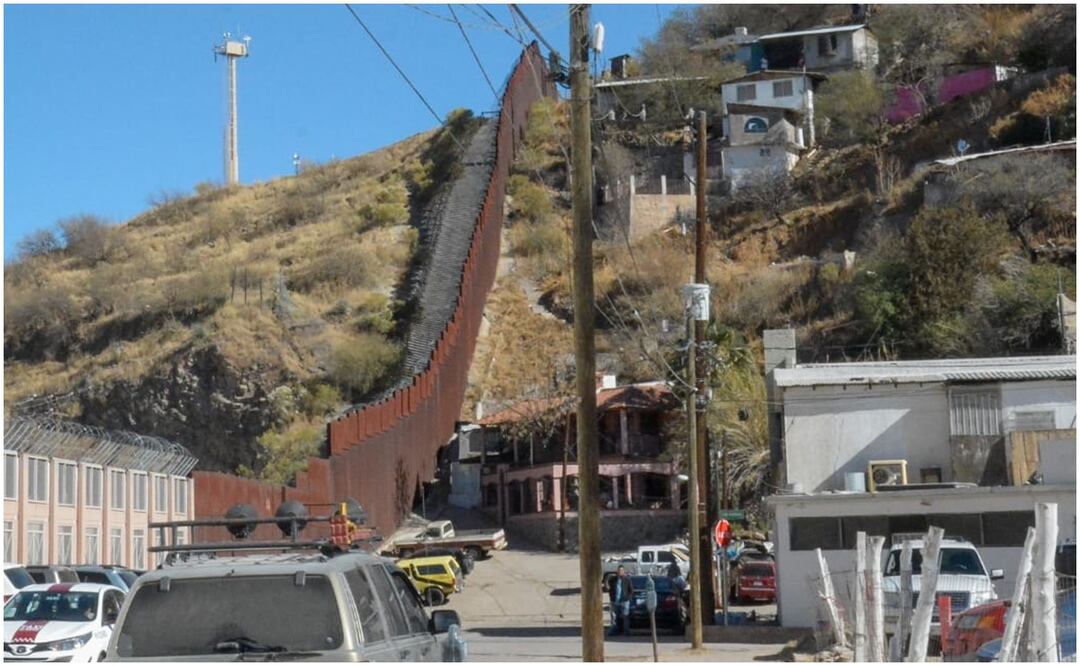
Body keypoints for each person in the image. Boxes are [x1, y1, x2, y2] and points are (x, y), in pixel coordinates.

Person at [607, 565, 633, 637]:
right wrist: (611, 598)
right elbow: (610, 590)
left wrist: (627, 598)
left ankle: (626, 632)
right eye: (619, 571)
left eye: (621, 571)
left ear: (624, 571)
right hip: (615, 601)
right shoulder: (613, 579)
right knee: (614, 617)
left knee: (625, 617)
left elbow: (631, 590)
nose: (620, 572)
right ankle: (614, 631)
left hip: (624, 602)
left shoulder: (627, 580)